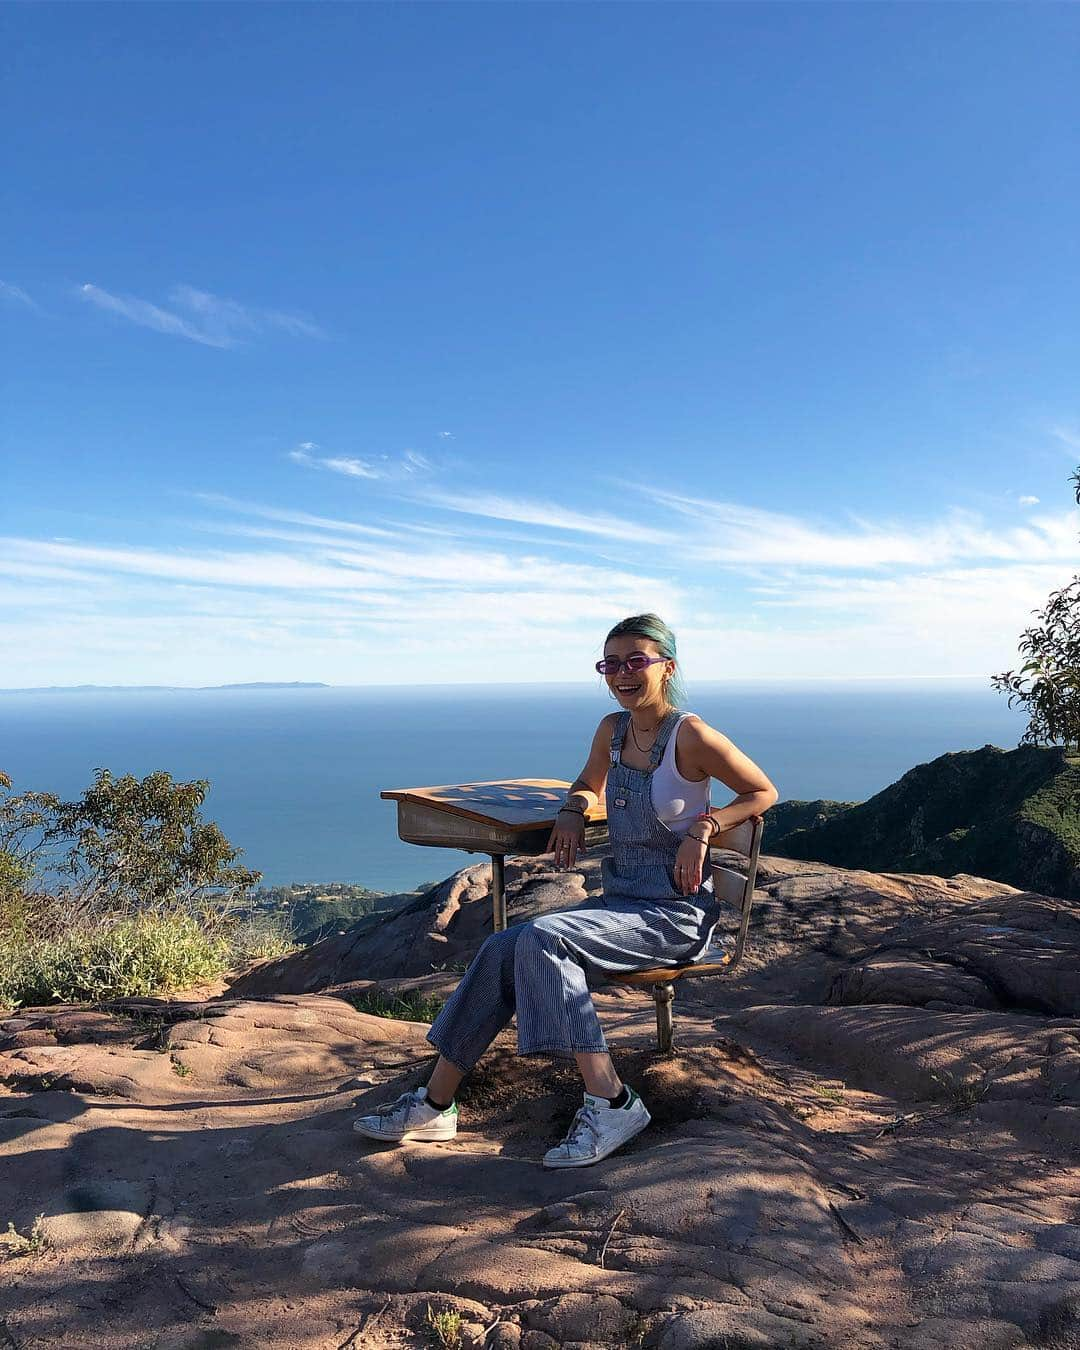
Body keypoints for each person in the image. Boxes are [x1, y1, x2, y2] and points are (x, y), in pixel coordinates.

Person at [353, 614, 778, 1168]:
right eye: (611, 663)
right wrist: (574, 809)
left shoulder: (690, 735)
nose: (622, 673)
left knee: (543, 938)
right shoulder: (613, 729)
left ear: (667, 667)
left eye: (636, 661)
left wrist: (704, 828)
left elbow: (763, 790)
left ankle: (612, 1101)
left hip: (672, 917)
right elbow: (587, 783)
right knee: (505, 944)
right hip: (622, 903)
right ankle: (436, 1103)